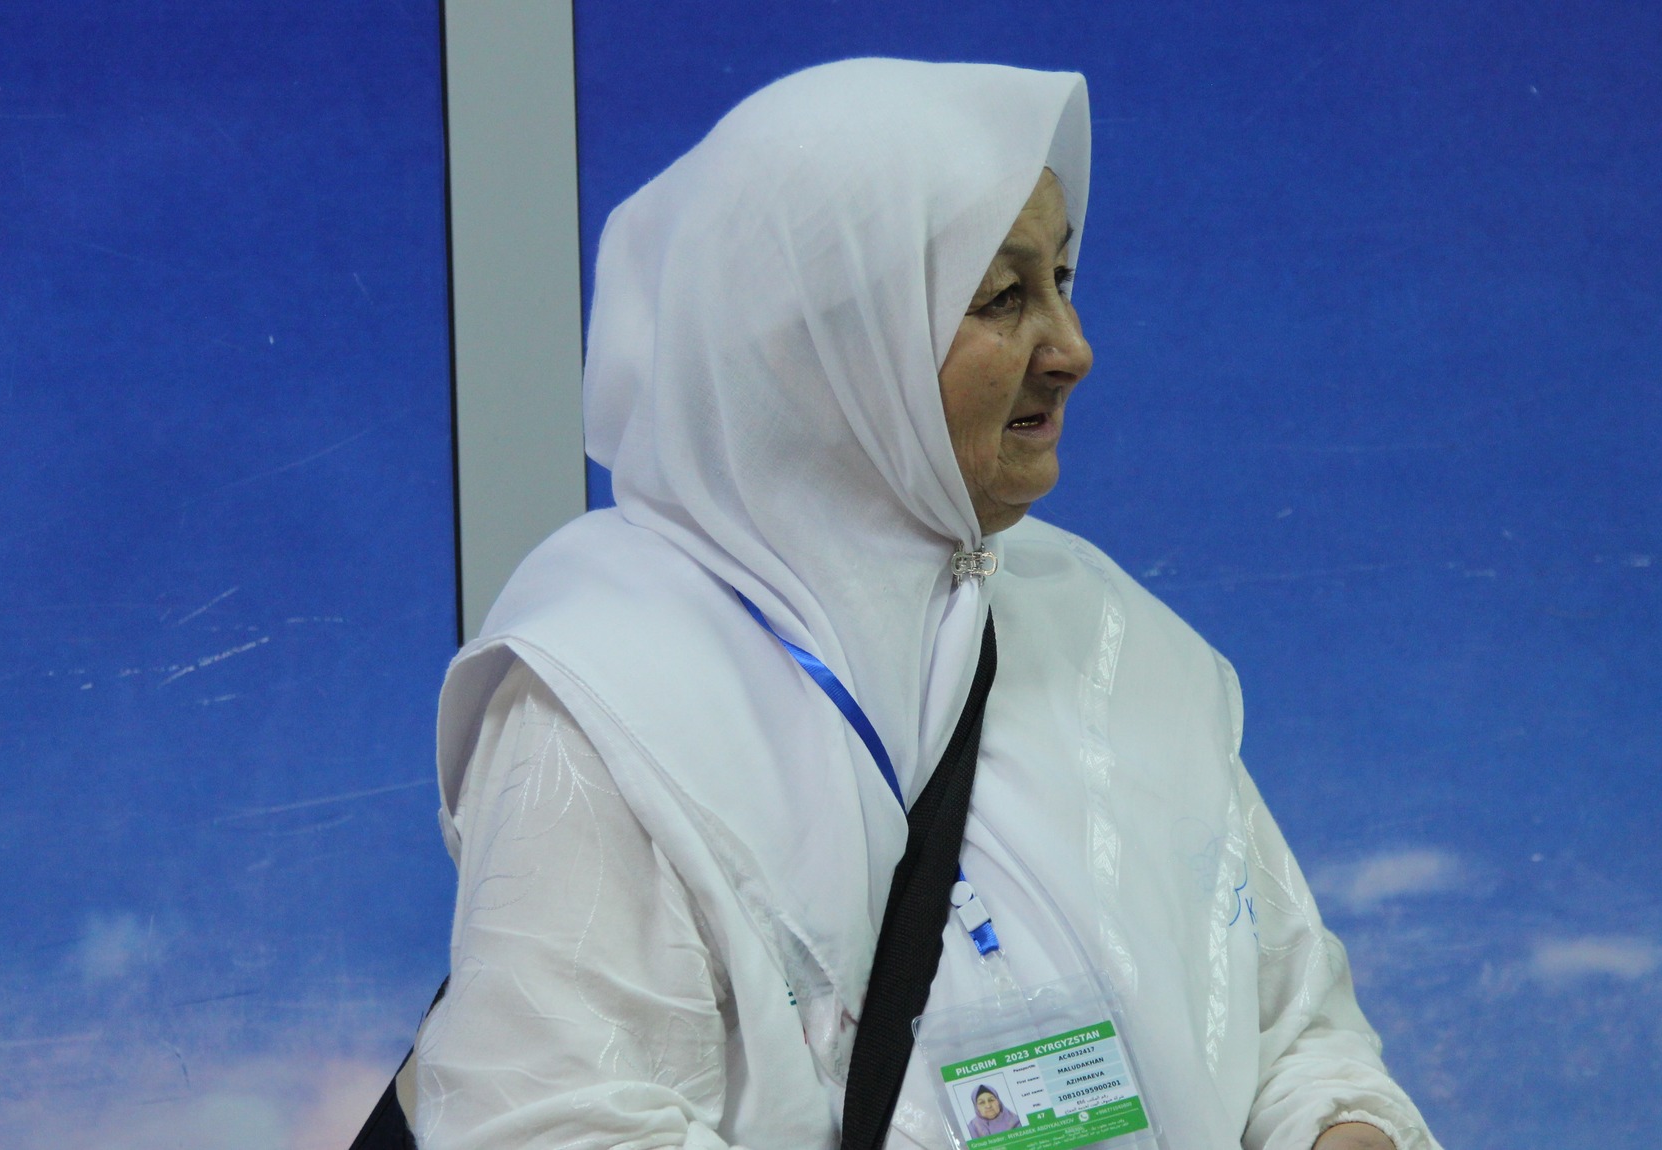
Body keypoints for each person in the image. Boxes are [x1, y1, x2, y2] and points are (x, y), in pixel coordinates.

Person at [411, 59, 1439, 1150]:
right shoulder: (614, 696)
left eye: (1063, 277)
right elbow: (546, 1128)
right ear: (828, 346)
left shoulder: (1102, 632)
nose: (1073, 349)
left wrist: (1341, 1129)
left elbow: (1295, 1030)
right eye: (1002, 298)